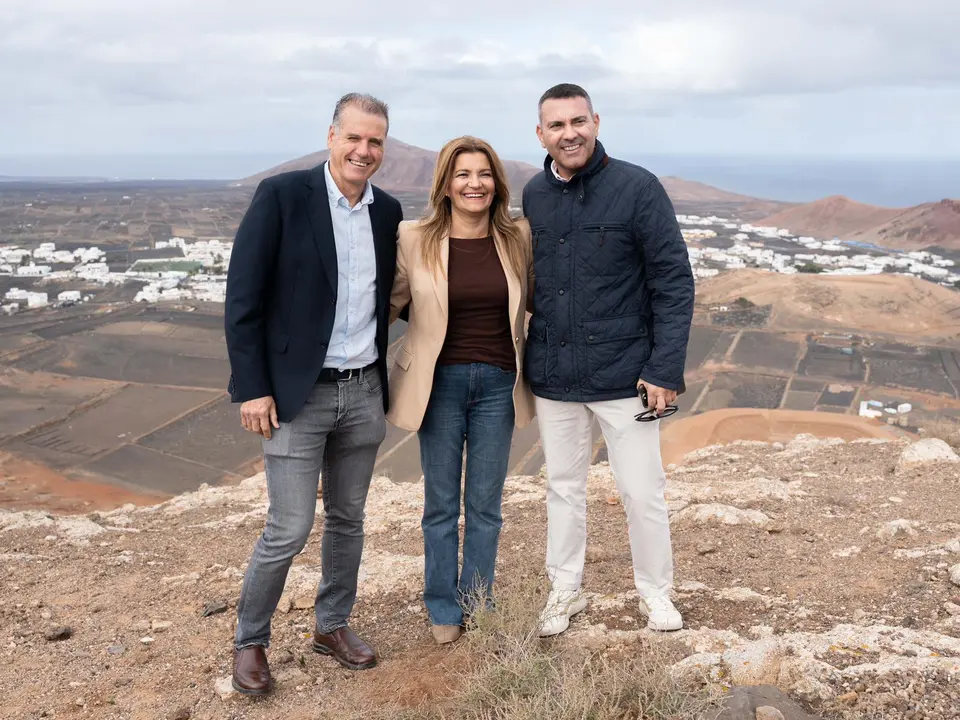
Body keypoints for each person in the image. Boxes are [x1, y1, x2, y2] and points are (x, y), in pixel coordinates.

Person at [223, 92, 403, 695]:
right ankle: (251, 640)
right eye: (354, 137)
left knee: (348, 520)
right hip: (297, 397)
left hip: (363, 390)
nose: (364, 150)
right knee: (290, 527)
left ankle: (331, 626)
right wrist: (252, 388)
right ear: (331, 137)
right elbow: (243, 298)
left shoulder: (387, 212)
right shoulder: (282, 198)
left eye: (375, 141)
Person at [521, 83, 695, 636]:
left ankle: (656, 592)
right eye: (557, 125)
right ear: (541, 133)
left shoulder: (637, 188)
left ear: (596, 121)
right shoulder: (533, 194)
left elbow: (673, 281)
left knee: (642, 491)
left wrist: (664, 369)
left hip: (627, 377)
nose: (569, 133)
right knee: (563, 487)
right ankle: (565, 590)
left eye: (578, 121)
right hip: (554, 375)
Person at [387, 136, 535, 645]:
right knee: (441, 505)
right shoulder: (414, 237)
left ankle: (480, 602)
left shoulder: (517, 236)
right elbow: (388, 305)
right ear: (446, 185)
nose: (475, 184)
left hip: (498, 383)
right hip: (439, 384)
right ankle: (443, 609)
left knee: (486, 506)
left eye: (484, 174)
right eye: (463, 175)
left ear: (497, 183)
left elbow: (538, 300)